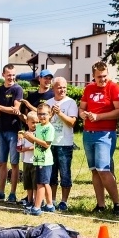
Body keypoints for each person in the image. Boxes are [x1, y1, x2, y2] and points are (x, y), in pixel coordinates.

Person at [79, 61, 119, 215]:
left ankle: (117, 204)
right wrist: (82, 114)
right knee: (94, 171)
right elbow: (82, 107)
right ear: (93, 76)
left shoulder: (114, 87)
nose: (102, 79)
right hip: (88, 134)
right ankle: (100, 205)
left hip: (105, 134)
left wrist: (98, 117)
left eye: (105, 76)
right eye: (99, 77)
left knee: (103, 169)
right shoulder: (89, 88)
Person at [0, 64, 24, 202]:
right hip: (1, 130)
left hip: (14, 131)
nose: (11, 77)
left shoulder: (17, 89)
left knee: (14, 164)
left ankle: (13, 193)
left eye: (13, 75)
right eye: (9, 75)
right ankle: (0, 191)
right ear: (3, 75)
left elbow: (15, 109)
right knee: (2, 163)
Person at [45, 77, 78, 211]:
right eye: (59, 87)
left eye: (64, 87)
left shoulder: (71, 103)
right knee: (51, 174)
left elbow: (72, 122)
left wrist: (60, 113)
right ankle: (52, 200)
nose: (62, 90)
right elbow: (44, 122)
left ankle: (64, 201)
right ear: (53, 88)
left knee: (65, 174)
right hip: (50, 143)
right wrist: (52, 113)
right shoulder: (48, 102)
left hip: (65, 144)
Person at [23, 104, 55, 216]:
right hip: (38, 159)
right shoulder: (39, 127)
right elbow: (37, 143)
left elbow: (46, 144)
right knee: (45, 183)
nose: (42, 117)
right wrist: (28, 137)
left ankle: (36, 207)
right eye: (39, 114)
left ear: (50, 115)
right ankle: (50, 205)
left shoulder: (49, 128)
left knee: (40, 184)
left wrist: (33, 138)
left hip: (44, 160)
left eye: (44, 114)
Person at [16, 112, 37, 212]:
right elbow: (19, 148)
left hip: (35, 161)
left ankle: (36, 201)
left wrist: (26, 149)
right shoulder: (23, 134)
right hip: (26, 161)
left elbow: (37, 145)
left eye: (37, 122)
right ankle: (29, 200)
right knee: (28, 183)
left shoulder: (38, 134)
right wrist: (19, 140)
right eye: (32, 122)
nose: (35, 125)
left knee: (35, 183)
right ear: (27, 122)